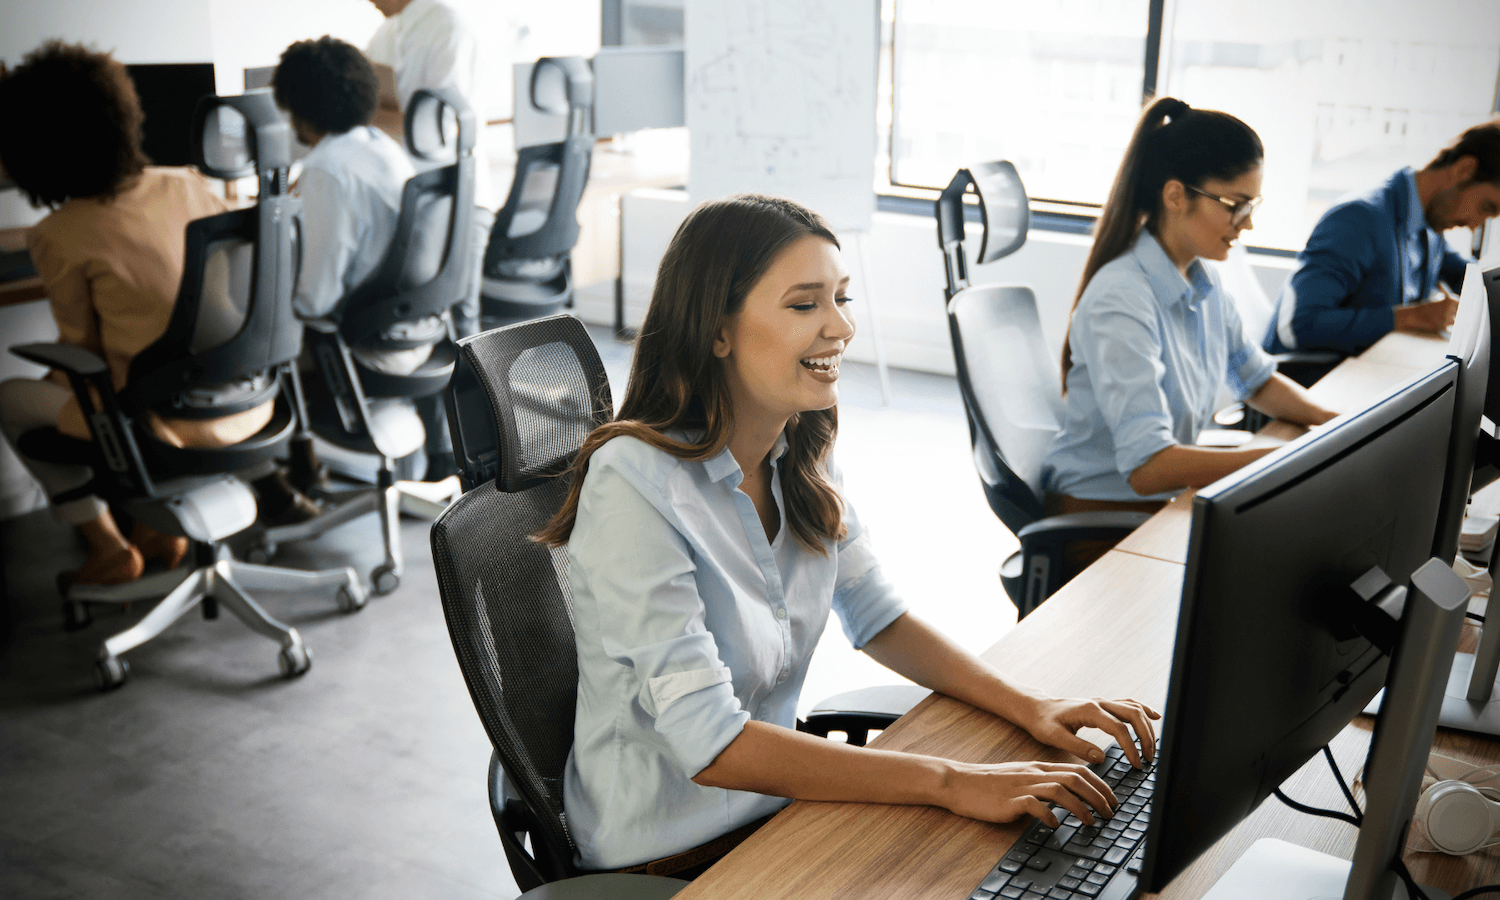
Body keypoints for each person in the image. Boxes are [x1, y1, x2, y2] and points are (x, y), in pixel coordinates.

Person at [536, 194, 1160, 874]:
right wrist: (951, 781)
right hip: (670, 853)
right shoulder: (634, 481)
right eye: (805, 305)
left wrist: (1033, 707)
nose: (842, 326)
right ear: (717, 330)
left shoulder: (796, 450)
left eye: (842, 297)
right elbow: (713, 745)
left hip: (775, 809)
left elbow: (874, 612)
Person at [0, 42, 295, 586]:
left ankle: (107, 545)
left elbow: (79, 356)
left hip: (164, 430)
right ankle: (157, 530)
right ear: (122, 114)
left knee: (12, 399)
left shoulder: (58, 234)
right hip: (253, 406)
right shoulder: (193, 186)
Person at [1042, 97, 1338, 577]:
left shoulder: (1203, 280)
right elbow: (1149, 467)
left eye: (1252, 205)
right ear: (1176, 195)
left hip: (1158, 501)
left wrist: (1334, 424)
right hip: (1102, 522)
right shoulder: (1123, 298)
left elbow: (1255, 379)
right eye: (1235, 206)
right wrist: (1284, 458)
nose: (1248, 223)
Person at [273, 35, 460, 483]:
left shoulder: (326, 169)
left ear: (298, 108)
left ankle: (293, 479)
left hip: (366, 348)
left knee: (260, 336)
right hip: (419, 334)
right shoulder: (380, 146)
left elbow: (314, 301)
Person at [1265, 119, 1500, 356]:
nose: (1474, 225)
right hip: (1315, 377)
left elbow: (1469, 277)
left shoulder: (1429, 225)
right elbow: (1297, 327)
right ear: (1464, 170)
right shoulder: (1358, 220)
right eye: (1485, 207)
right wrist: (1411, 317)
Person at [365, 0, 494, 344]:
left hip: (455, 198)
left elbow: (437, 128)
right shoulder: (386, 31)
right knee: (417, 322)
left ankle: (478, 398)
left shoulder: (450, 27)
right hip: (406, 199)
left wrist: (366, 115)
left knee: (462, 326)